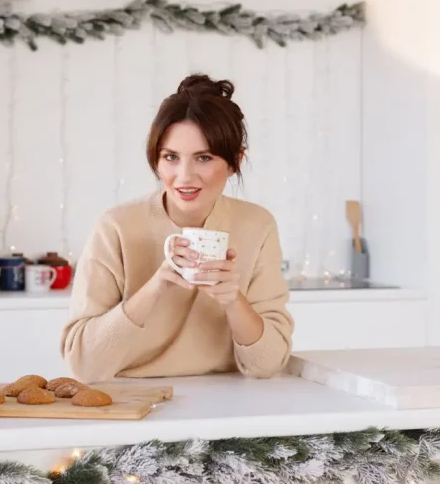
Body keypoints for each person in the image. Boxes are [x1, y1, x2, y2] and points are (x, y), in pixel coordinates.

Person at [60, 73, 294, 383]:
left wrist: (233, 299)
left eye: (204, 158)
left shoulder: (256, 225)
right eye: (171, 157)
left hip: (229, 404)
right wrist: (157, 286)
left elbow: (268, 365)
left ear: (235, 161)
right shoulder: (117, 226)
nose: (184, 177)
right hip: (132, 402)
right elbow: (83, 366)